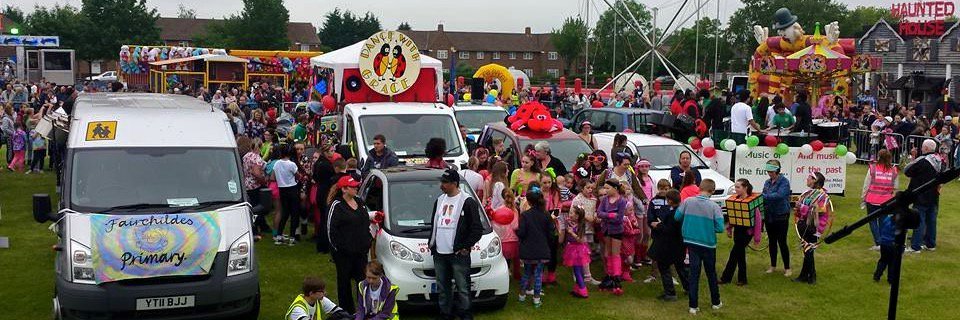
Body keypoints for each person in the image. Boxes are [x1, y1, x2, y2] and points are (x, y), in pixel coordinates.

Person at [428, 168, 484, 320]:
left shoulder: (467, 201)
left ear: (454, 183)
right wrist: (432, 244)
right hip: (440, 253)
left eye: (445, 183)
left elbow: (477, 228)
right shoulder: (439, 200)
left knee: (463, 286)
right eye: (442, 182)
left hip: (458, 254)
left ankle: (466, 313)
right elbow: (434, 224)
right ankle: (445, 313)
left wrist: (465, 246)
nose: (442, 185)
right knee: (442, 286)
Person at [674, 179, 724, 314]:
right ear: (712, 191)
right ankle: (716, 302)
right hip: (708, 244)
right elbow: (720, 228)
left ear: (699, 188)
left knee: (694, 274)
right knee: (711, 273)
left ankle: (693, 306)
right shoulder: (714, 207)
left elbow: (677, 216)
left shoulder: (688, 201)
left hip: (691, 242)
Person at [328, 175, 373, 314]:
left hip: (361, 252)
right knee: (344, 282)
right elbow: (330, 230)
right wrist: (338, 249)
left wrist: (368, 240)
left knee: (363, 281)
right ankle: (346, 311)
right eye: (353, 186)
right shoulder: (336, 205)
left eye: (356, 186)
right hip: (344, 254)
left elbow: (366, 220)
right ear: (344, 189)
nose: (356, 188)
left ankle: (364, 309)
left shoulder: (360, 202)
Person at [516, 183, 554, 308]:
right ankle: (536, 299)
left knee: (526, 273)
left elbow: (521, 233)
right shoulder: (546, 215)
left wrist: (516, 232)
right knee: (538, 275)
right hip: (542, 249)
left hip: (528, 249)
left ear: (529, 201)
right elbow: (550, 233)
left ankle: (522, 295)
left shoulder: (525, 216)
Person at [648, 182, 686, 301]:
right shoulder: (681, 211)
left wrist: (658, 225)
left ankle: (670, 293)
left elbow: (669, 229)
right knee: (681, 267)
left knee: (664, 267)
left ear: (669, 201)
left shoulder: (672, 215)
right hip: (679, 244)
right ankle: (689, 287)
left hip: (668, 245)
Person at [905, 139, 943, 253]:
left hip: (921, 193)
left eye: (922, 147)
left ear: (926, 148)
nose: (921, 149)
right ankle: (930, 244)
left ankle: (915, 246)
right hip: (934, 194)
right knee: (931, 220)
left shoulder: (922, 160)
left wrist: (913, 158)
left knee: (919, 219)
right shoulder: (940, 159)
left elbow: (908, 171)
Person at [793, 172, 832, 285]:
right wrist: (798, 210)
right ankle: (805, 276)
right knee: (807, 250)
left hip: (814, 227)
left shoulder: (822, 196)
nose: (807, 179)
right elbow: (804, 207)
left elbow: (819, 211)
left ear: (815, 180)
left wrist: (802, 207)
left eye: (809, 178)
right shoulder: (808, 193)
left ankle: (812, 276)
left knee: (808, 250)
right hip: (805, 224)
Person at [719, 179, 755, 286]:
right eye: (735, 187)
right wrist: (729, 228)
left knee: (735, 253)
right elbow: (732, 215)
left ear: (745, 188)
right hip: (738, 230)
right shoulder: (735, 199)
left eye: (738, 187)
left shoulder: (751, 200)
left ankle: (726, 277)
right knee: (740, 254)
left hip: (747, 231)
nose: (736, 189)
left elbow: (757, 218)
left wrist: (756, 235)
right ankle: (741, 279)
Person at [862, 149, 899, 250]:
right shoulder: (894, 170)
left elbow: (866, 184)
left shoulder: (873, 168)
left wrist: (863, 198)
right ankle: (884, 241)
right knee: (883, 221)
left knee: (872, 221)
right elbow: (896, 187)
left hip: (872, 199)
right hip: (887, 200)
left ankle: (878, 242)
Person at [762, 160, 792, 276]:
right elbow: (766, 194)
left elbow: (780, 195)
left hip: (781, 215)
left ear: (777, 170)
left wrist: (763, 196)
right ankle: (773, 265)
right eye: (768, 171)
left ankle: (787, 268)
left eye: (771, 171)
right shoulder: (767, 182)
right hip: (770, 215)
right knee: (772, 241)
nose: (769, 173)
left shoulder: (784, 182)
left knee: (782, 242)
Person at [597, 179, 628, 295]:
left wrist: (606, 217)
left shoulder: (621, 201)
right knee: (607, 253)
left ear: (615, 188)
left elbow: (619, 219)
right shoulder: (605, 200)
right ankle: (609, 275)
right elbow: (599, 213)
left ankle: (616, 278)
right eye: (604, 188)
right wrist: (609, 215)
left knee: (615, 254)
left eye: (607, 188)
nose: (605, 190)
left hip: (616, 231)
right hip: (606, 230)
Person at [569, 179, 601, 286]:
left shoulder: (593, 199)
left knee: (587, 252)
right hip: (580, 229)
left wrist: (595, 217)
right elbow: (573, 214)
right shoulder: (578, 199)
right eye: (588, 188)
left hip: (589, 229)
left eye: (592, 188)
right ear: (582, 188)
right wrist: (587, 218)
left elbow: (594, 211)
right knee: (580, 253)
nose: (590, 190)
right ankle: (582, 275)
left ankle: (584, 274)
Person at [285, 276, 352, 320]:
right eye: (321, 291)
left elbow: (340, 312)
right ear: (311, 293)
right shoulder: (298, 309)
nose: (325, 293)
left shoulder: (319, 299)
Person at [273, 145, 301, 245]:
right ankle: (292, 237)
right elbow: (298, 175)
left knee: (284, 212)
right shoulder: (292, 164)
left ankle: (279, 235)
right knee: (294, 213)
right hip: (292, 188)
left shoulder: (276, 164)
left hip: (282, 189)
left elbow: (273, 176)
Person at [313, 143, 338, 253]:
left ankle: (321, 244)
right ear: (325, 152)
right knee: (325, 220)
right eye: (331, 151)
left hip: (320, 192)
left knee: (323, 218)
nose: (333, 153)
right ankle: (324, 245)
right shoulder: (326, 165)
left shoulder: (319, 162)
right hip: (325, 193)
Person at [564, 206, 592, 298]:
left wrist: (572, 233)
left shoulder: (580, 226)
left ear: (577, 216)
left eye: (571, 213)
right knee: (578, 269)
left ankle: (583, 290)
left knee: (577, 270)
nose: (569, 214)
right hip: (573, 248)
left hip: (578, 250)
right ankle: (577, 288)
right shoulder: (572, 223)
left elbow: (581, 240)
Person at [492, 189, 521, 279]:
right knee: (516, 259)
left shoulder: (498, 210)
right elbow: (515, 226)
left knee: (504, 260)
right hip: (514, 239)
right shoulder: (515, 211)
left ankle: (505, 274)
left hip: (503, 239)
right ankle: (517, 274)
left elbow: (495, 225)